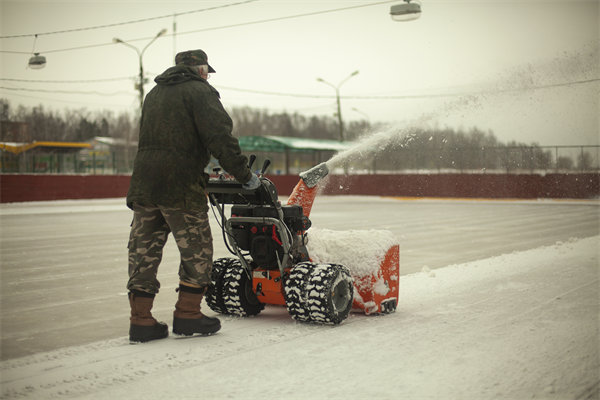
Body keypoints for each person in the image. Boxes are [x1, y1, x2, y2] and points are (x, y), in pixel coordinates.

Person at [126, 49, 260, 343]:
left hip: (145, 186)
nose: (208, 75)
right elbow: (220, 137)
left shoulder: (154, 94)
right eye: (207, 71)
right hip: (180, 186)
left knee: (143, 253)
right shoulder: (201, 93)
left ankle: (141, 321)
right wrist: (245, 175)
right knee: (197, 250)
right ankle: (188, 315)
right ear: (200, 70)